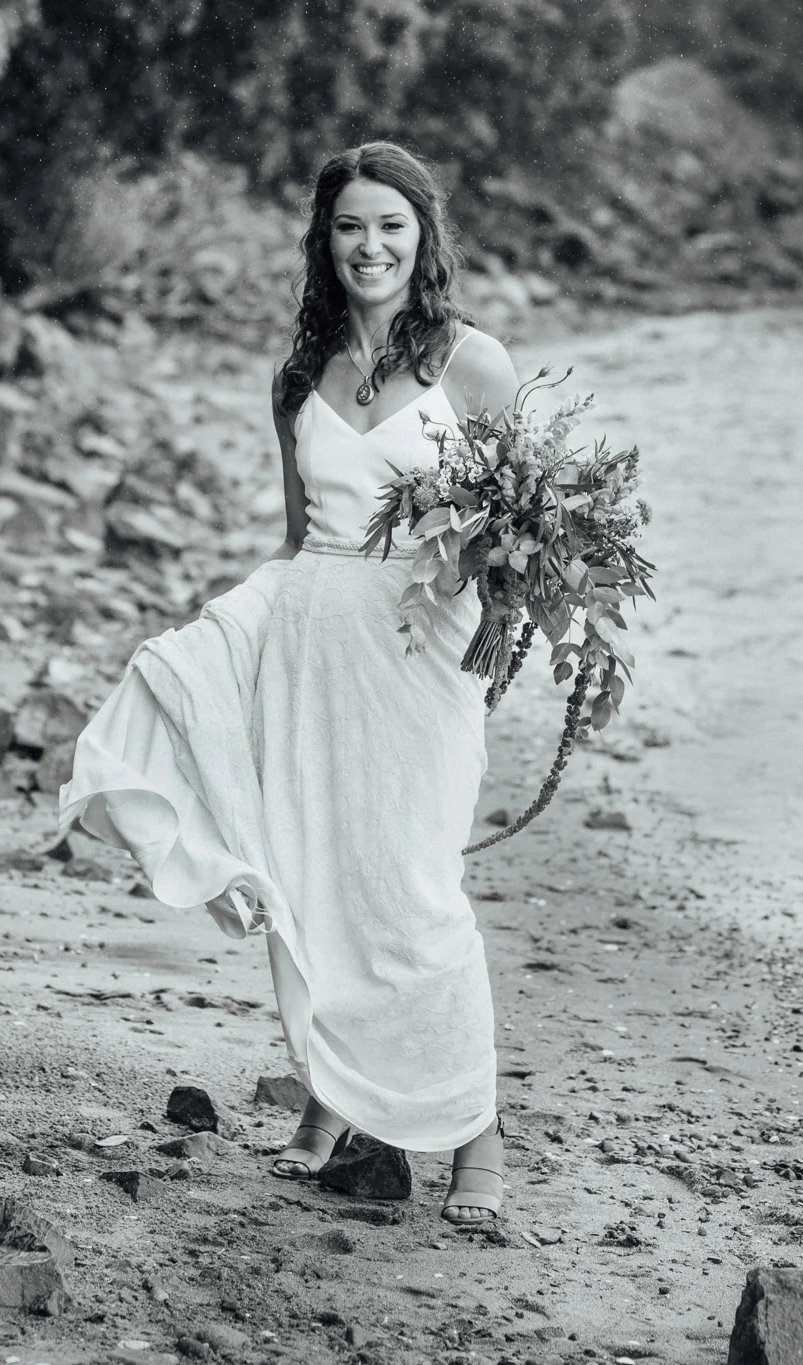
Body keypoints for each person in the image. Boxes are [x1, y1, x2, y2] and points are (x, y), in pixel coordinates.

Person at [59, 141, 520, 1225]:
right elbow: (294, 535)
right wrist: (224, 644)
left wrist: (499, 640)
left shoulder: (472, 365)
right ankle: (327, 1100)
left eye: (390, 226)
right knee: (308, 871)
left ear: (422, 236)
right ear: (325, 240)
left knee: (411, 887)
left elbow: (513, 537)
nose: (370, 246)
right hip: (308, 634)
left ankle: (475, 1141)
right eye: (349, 227)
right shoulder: (296, 375)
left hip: (418, 651)